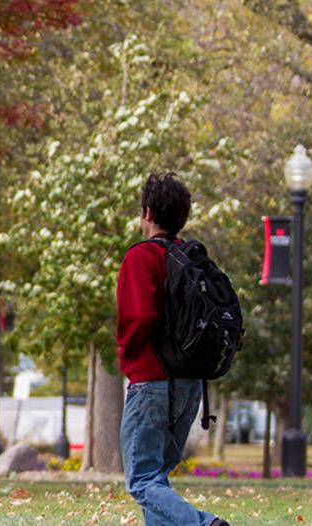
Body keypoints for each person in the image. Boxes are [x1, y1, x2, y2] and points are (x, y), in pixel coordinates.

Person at [117, 172, 228, 526]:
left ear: (147, 212)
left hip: (151, 381)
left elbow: (140, 316)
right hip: (190, 384)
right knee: (158, 478)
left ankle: (204, 523)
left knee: (142, 480)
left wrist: (128, 358)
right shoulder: (190, 258)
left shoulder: (141, 258)